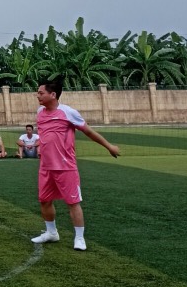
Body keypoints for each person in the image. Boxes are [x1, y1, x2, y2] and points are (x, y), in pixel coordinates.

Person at [31, 77, 121, 251]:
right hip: (46, 167)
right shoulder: (40, 112)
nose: (37, 95)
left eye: (41, 93)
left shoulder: (68, 112)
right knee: (44, 200)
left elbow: (89, 131)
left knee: (73, 202)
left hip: (66, 167)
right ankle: (51, 233)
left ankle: (79, 238)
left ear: (53, 94)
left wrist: (109, 146)